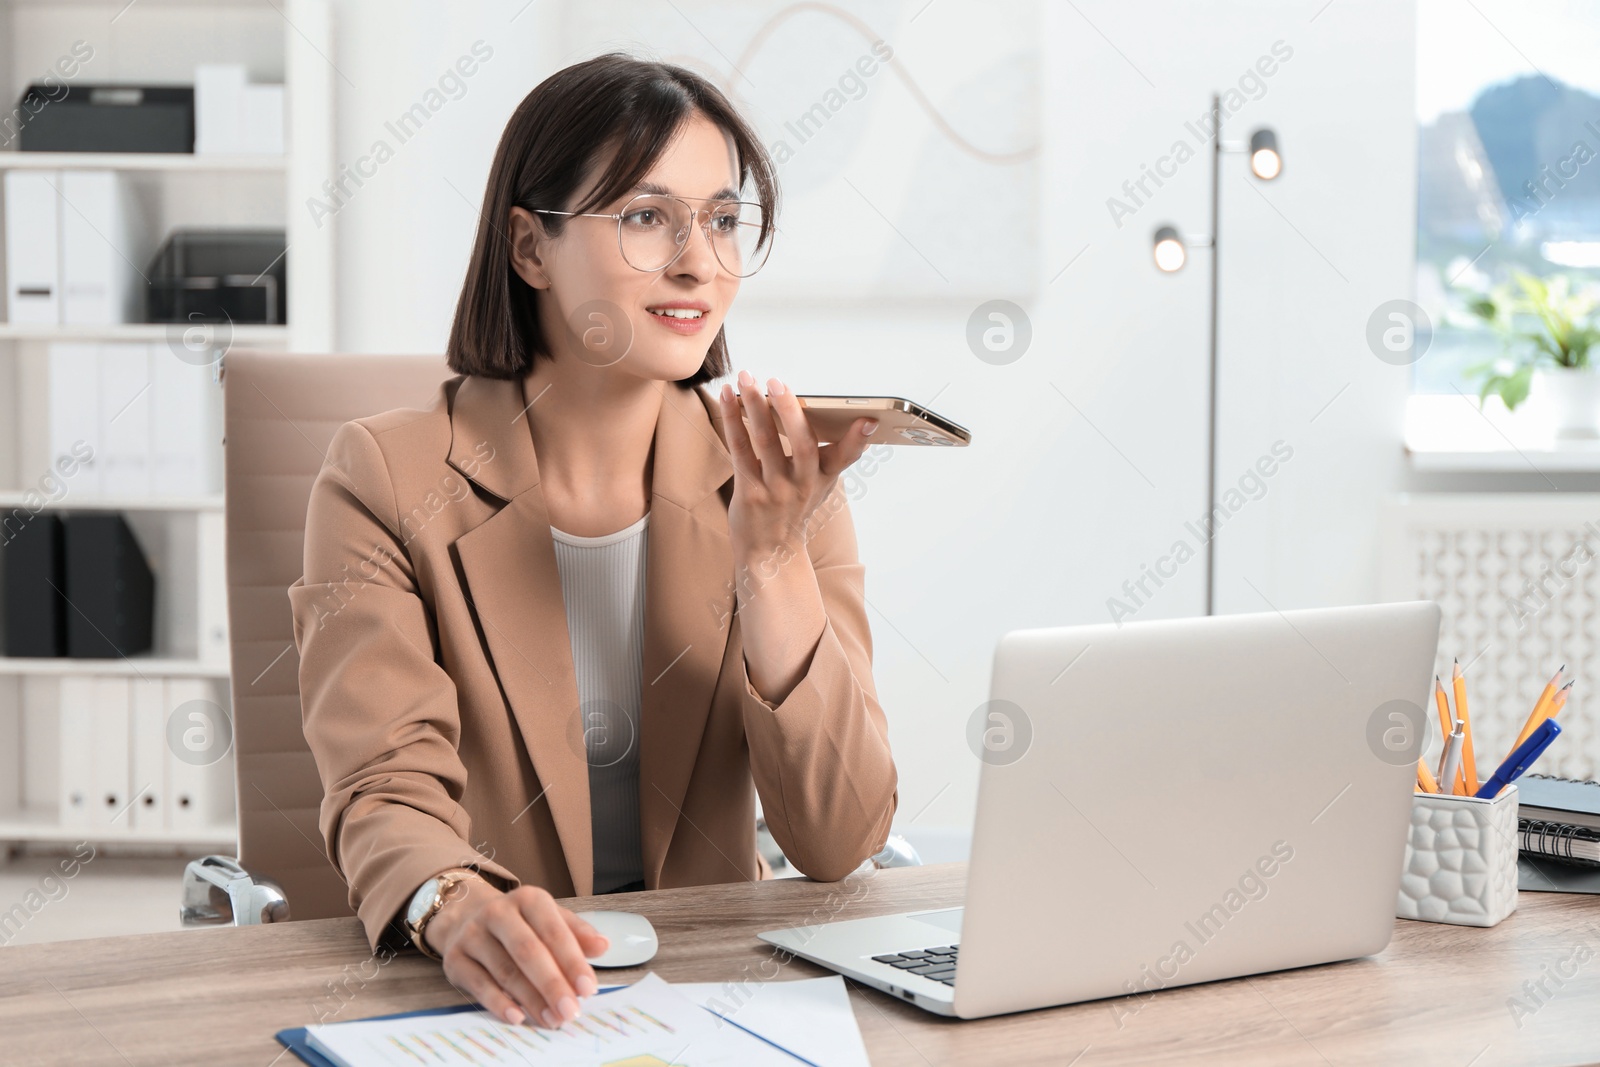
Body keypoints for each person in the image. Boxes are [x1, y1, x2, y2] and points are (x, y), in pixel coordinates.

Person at [287, 53, 898, 1032]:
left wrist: (772, 559)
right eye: (647, 217)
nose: (698, 261)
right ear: (530, 247)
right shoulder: (385, 478)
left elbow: (839, 837)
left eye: (724, 219)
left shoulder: (780, 480)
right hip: (487, 1004)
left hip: (711, 998)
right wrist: (457, 902)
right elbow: (383, 786)